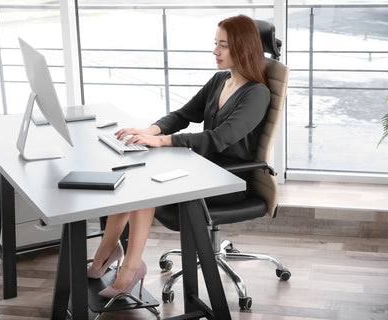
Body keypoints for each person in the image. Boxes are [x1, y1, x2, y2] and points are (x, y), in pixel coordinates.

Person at [88, 14, 271, 299]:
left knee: (144, 186)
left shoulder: (257, 93)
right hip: (203, 168)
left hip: (229, 181)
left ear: (242, 47)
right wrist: (149, 130)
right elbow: (183, 115)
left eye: (223, 45)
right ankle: (108, 251)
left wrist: (161, 141)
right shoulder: (220, 80)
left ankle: (131, 268)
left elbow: (219, 138)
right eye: (215, 44)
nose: (215, 52)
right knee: (132, 173)